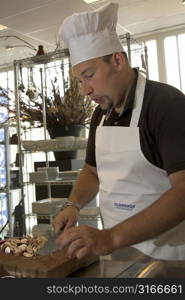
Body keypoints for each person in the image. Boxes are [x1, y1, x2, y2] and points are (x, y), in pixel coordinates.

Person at [53, 2, 185, 261]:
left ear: (117, 60)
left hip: (171, 259)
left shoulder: (167, 105)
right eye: (79, 81)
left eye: (89, 75)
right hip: (121, 256)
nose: (84, 90)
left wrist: (111, 237)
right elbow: (92, 171)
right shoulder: (101, 114)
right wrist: (73, 204)